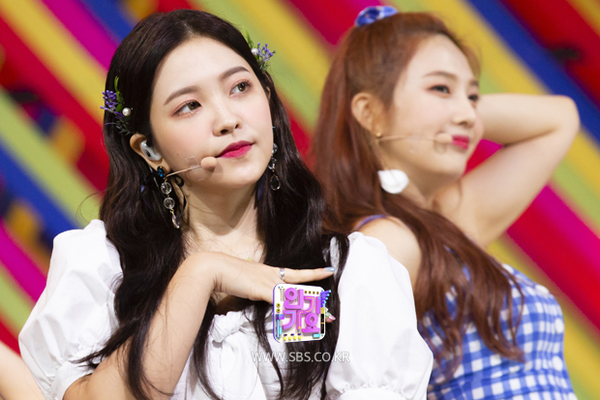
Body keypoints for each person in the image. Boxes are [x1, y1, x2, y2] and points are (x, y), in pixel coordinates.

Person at [19, 9, 432, 400]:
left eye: (239, 87)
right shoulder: (107, 266)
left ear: (267, 99)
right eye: (189, 106)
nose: (227, 119)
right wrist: (202, 273)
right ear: (149, 150)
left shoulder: (334, 269)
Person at [312, 6, 579, 399]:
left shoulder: (446, 222)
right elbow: (337, 377)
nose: (469, 114)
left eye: (473, 96)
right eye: (440, 88)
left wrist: (451, 112)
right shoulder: (385, 240)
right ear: (369, 112)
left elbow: (560, 117)